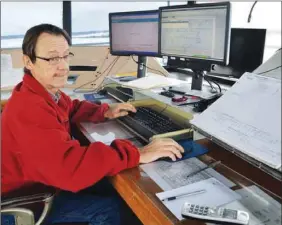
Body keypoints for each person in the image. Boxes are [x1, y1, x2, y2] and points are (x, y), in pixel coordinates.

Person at [1, 24, 184, 225]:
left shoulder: (42, 92)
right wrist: (138, 153)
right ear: (28, 61)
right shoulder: (29, 109)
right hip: (32, 201)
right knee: (115, 208)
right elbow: (69, 170)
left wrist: (103, 111)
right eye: (52, 58)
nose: (63, 66)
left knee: (109, 182)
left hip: (45, 181)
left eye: (65, 56)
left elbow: (69, 107)